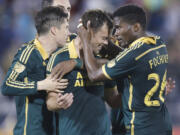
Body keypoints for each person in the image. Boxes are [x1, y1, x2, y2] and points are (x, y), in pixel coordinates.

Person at [77, 4, 172, 135]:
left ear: (136, 27)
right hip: (163, 125)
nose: (115, 33)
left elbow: (93, 75)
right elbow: (129, 58)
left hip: (141, 128)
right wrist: (110, 46)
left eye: (118, 28)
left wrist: (86, 40)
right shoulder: (158, 43)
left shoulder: (133, 56)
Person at [1, 7, 73, 135]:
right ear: (54, 30)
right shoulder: (28, 53)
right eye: (66, 28)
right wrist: (42, 85)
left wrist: (61, 101)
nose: (68, 33)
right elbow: (7, 86)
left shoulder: (57, 56)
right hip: (30, 131)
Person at [46, 9, 115, 135]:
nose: (106, 43)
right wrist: (59, 102)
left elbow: (112, 98)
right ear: (88, 32)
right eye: (104, 38)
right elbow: (50, 101)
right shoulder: (60, 58)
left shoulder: (103, 56)